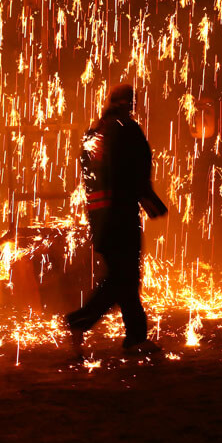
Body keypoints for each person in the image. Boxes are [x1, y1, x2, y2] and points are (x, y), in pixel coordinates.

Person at [65, 84, 167, 358]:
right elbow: (134, 171)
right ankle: (80, 321)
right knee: (123, 279)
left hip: (100, 216)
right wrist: (149, 200)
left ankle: (133, 337)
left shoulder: (94, 132)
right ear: (130, 104)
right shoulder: (126, 129)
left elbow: (91, 176)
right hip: (121, 215)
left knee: (124, 278)